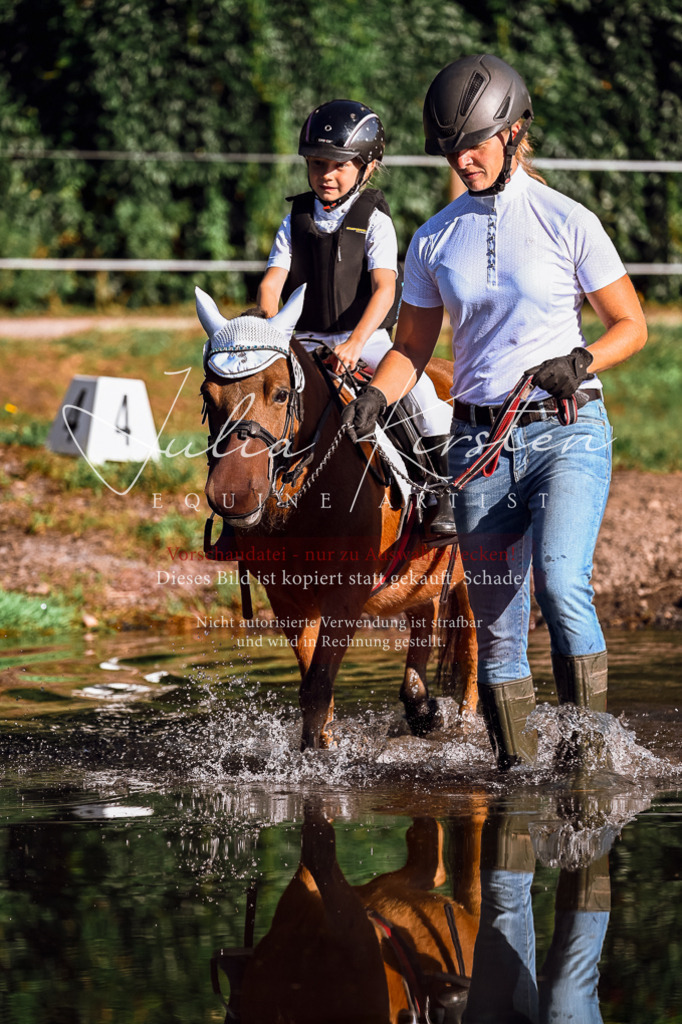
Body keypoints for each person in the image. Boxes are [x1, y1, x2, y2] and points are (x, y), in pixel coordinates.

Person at [342, 54, 647, 768]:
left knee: (561, 582)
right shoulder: (434, 237)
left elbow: (631, 323)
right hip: (476, 448)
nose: (463, 159)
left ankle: (588, 765)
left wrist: (584, 359)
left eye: (475, 144)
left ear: (513, 133)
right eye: (451, 148)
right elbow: (413, 345)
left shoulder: (567, 220)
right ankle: (516, 780)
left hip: (565, 430)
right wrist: (376, 397)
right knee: (499, 629)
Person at [256, 98, 456, 537]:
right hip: (303, 342)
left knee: (425, 400)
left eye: (338, 166)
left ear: (367, 167)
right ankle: (241, 512)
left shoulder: (375, 220)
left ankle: (441, 497)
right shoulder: (295, 220)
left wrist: (355, 342)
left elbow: (385, 289)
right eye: (316, 164)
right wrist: (271, 329)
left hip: (365, 339)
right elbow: (272, 284)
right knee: (251, 405)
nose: (325, 175)